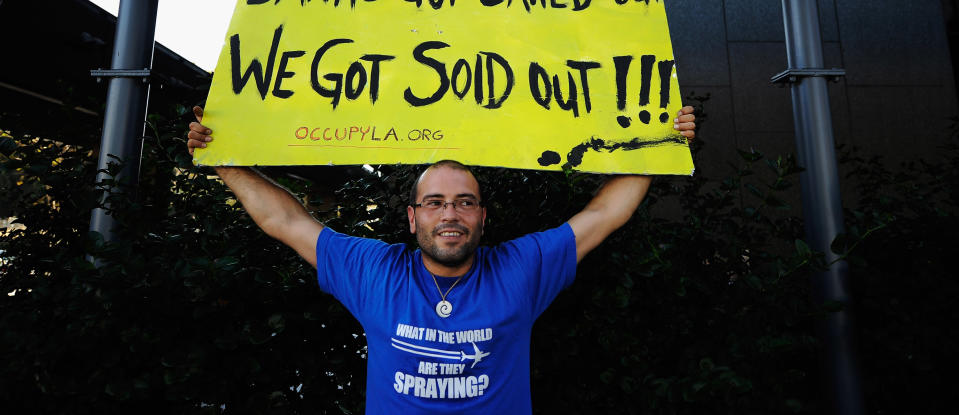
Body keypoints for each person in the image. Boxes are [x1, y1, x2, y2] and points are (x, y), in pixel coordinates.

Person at [188, 105, 696, 414]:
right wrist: (226, 164)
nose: (449, 214)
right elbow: (287, 222)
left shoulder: (522, 268)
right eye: (434, 203)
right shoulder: (374, 270)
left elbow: (606, 212)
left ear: (482, 217)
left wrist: (663, 145)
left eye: (464, 202)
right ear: (412, 218)